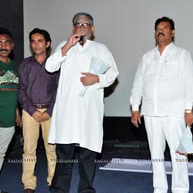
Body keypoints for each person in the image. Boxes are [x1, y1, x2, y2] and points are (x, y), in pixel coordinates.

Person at [45, 12, 119, 193]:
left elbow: (113, 74)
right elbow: (49, 66)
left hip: (89, 110)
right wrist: (67, 47)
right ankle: (59, 190)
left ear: (92, 29)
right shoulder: (64, 45)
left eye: (86, 24)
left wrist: (97, 79)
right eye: (78, 24)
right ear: (73, 28)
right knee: (64, 154)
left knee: (87, 154)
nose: (82, 26)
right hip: (68, 110)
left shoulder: (101, 48)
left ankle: (86, 189)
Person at [130, 16, 193, 193]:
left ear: (172, 32)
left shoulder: (182, 54)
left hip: (174, 113)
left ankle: (180, 189)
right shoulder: (147, 57)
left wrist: (188, 109)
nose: (161, 31)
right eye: (158, 28)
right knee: (156, 155)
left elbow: (191, 83)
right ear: (154, 32)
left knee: (179, 155)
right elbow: (138, 83)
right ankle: (159, 188)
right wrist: (135, 108)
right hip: (151, 113)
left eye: (165, 28)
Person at [18, 28, 59, 193]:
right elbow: (21, 90)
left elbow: (58, 90)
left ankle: (53, 181)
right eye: (33, 41)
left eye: (40, 40)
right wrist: (31, 111)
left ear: (47, 43)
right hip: (29, 112)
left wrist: (49, 111)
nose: (36, 44)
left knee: (52, 148)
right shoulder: (24, 65)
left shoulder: (55, 65)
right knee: (28, 149)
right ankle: (28, 184)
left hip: (50, 113)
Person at [0, 27, 22, 193]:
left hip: (8, 119)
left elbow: (15, 91)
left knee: (0, 154)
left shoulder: (15, 66)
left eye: (6, 42)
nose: (3, 46)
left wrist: (17, 113)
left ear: (12, 46)